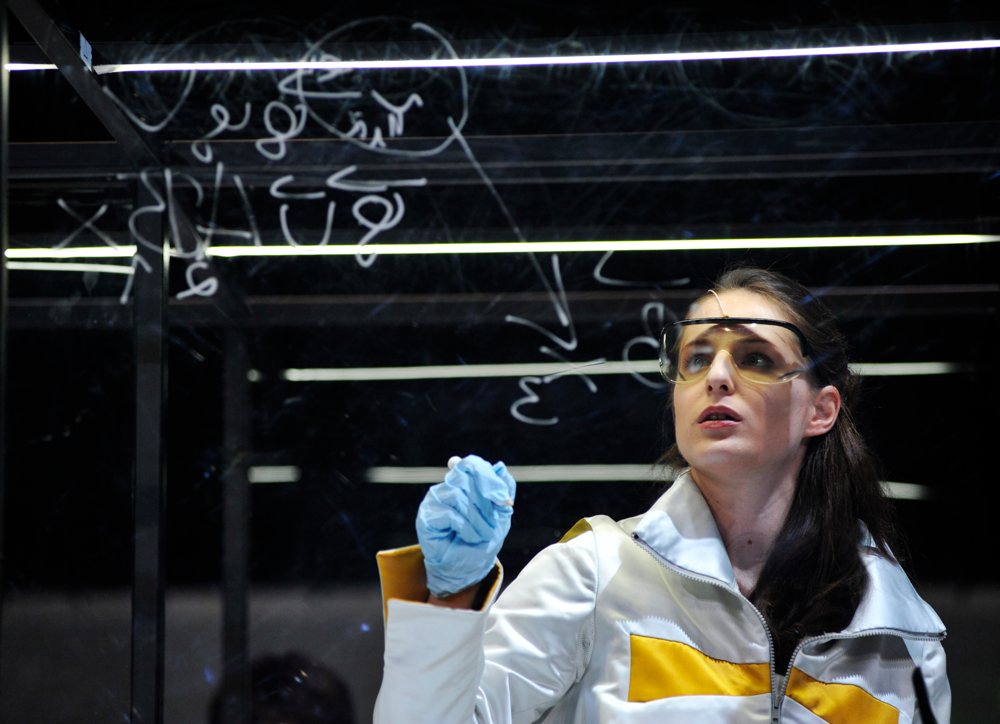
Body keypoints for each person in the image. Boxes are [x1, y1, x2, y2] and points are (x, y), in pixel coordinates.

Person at [374, 267, 950, 723]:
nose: (716, 376)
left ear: (820, 410)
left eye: (755, 358)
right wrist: (448, 601)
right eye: (696, 358)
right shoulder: (595, 574)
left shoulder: (901, 637)